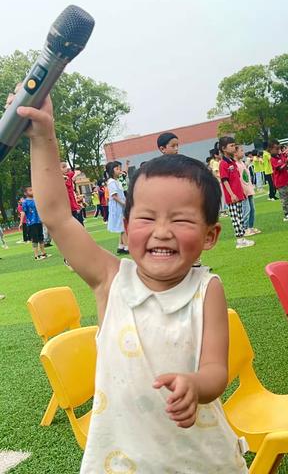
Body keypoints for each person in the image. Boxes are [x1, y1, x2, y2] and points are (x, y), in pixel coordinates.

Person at [17, 93, 248, 473]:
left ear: (210, 235)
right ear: (125, 227)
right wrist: (43, 138)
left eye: (182, 220)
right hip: (122, 461)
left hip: (199, 459)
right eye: (147, 218)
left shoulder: (207, 290)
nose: (162, 232)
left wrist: (196, 385)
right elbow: (57, 216)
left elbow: (214, 370)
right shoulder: (110, 278)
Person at [218, 136, 254, 249]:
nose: (234, 147)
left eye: (234, 145)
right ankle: (239, 240)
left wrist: (241, 192)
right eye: (231, 146)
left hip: (239, 194)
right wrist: (232, 194)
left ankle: (242, 238)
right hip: (232, 196)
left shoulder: (232, 162)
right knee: (236, 219)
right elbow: (224, 180)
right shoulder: (223, 163)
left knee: (240, 216)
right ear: (224, 148)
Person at [269, 139, 288, 221]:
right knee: (284, 198)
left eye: (278, 148)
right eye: (276, 149)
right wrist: (285, 164)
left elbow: (286, 163)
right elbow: (279, 168)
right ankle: (286, 214)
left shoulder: (280, 156)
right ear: (271, 150)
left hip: (286, 179)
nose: (278, 150)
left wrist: (287, 163)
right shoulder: (272, 159)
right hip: (280, 181)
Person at [234, 146, 260, 236]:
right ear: (235, 153)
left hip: (248, 188)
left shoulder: (241, 162)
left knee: (252, 209)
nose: (243, 152)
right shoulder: (235, 164)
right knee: (246, 209)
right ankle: (244, 229)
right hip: (243, 190)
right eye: (241, 151)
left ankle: (250, 227)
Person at [20, 187, 50, 261]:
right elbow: (23, 212)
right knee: (35, 239)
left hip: (38, 221)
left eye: (32, 189)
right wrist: (21, 223)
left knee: (41, 237)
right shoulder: (25, 202)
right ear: (25, 193)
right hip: (31, 223)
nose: (32, 191)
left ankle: (43, 253)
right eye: (30, 190)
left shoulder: (36, 200)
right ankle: (36, 255)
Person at [105, 161, 129, 255]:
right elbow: (114, 196)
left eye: (120, 168)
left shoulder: (116, 181)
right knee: (122, 227)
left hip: (120, 206)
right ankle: (127, 247)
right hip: (117, 207)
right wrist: (124, 204)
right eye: (117, 169)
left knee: (121, 226)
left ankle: (121, 246)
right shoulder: (111, 182)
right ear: (112, 170)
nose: (119, 170)